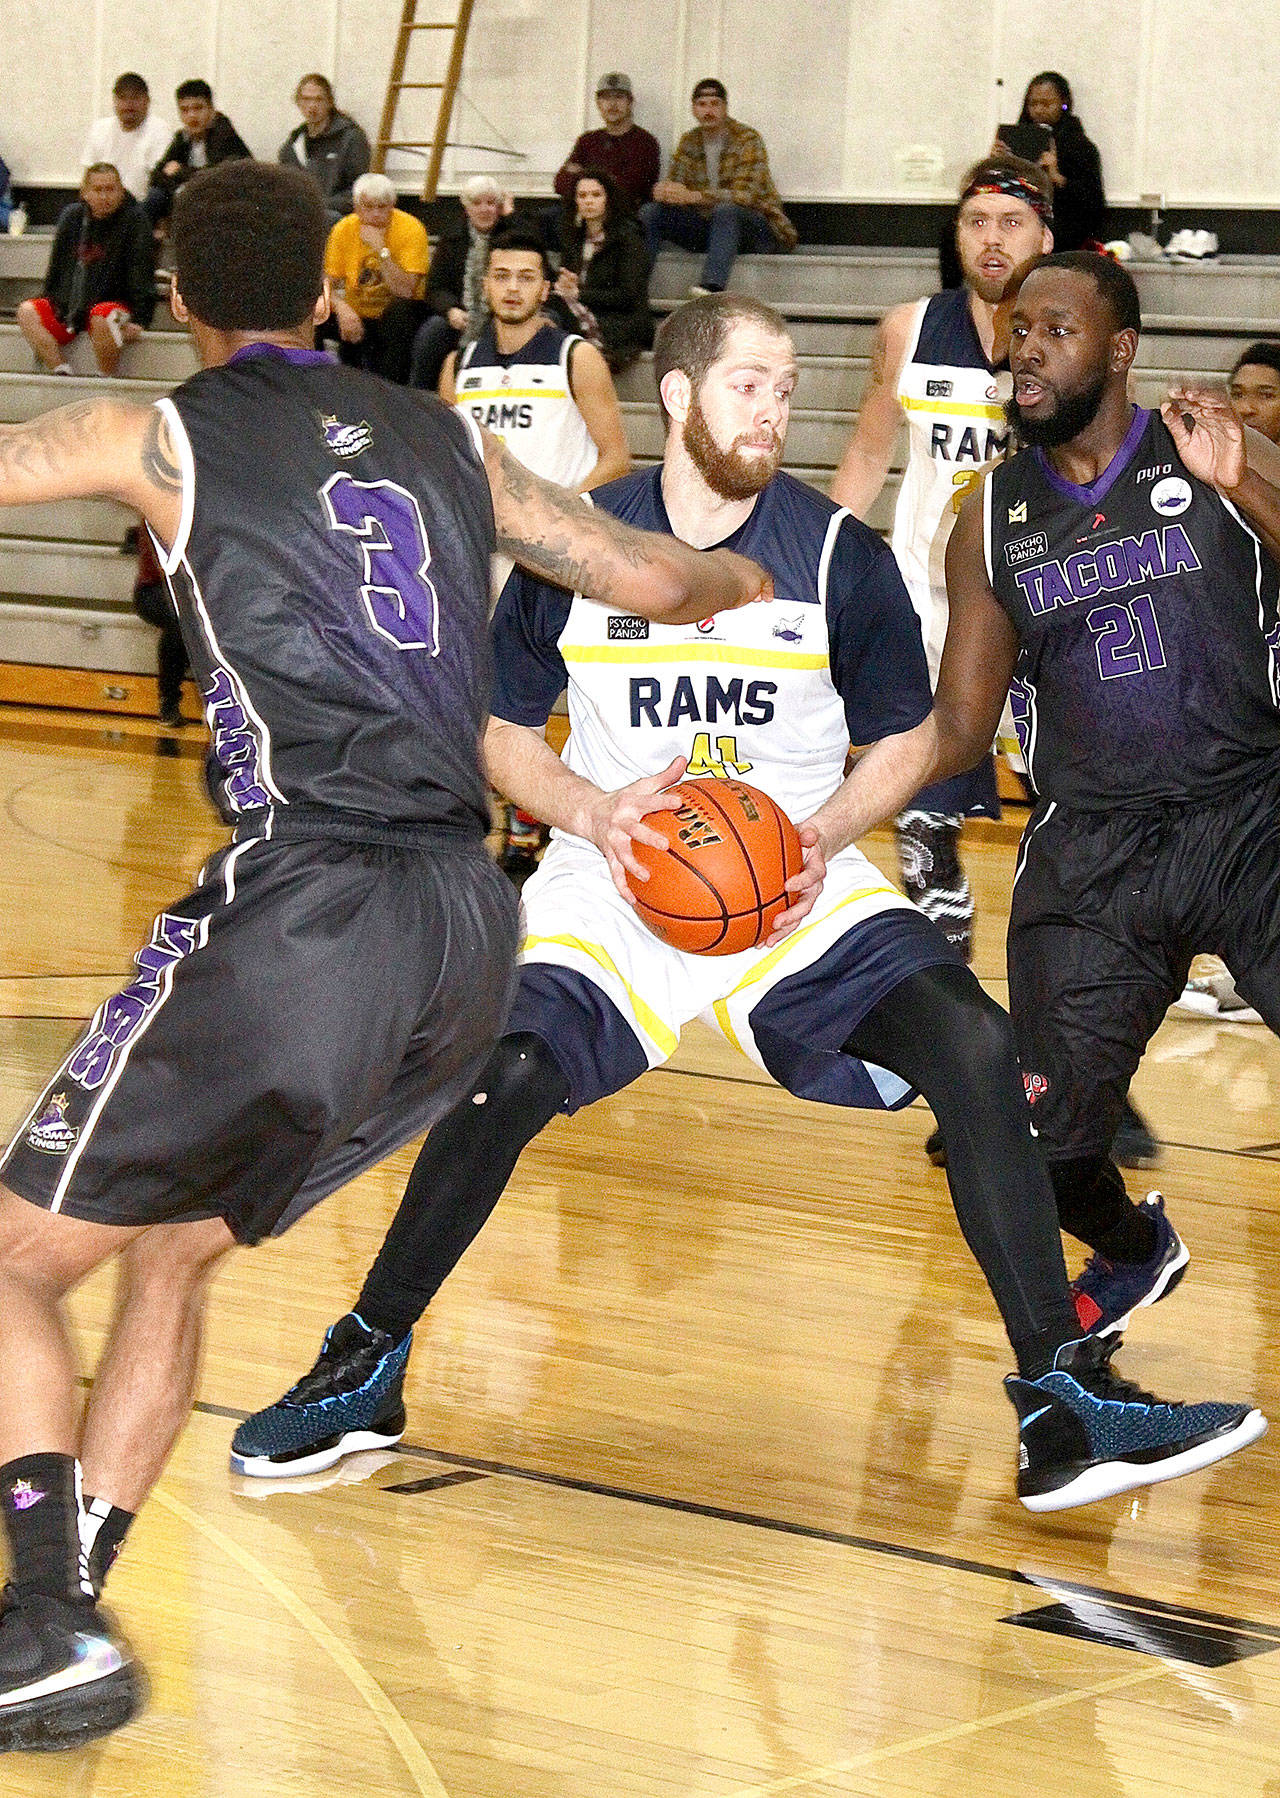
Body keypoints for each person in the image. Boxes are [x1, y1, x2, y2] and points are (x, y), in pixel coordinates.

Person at [232, 291, 1262, 1538]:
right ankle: (363, 1365)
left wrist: (816, 836)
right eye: (748, 384)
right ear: (676, 398)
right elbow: (497, 729)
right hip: (618, 876)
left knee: (976, 1050)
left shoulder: (837, 553)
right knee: (500, 1074)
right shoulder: (581, 542)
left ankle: (1058, 1400)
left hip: (796, 878)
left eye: (785, 388)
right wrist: (593, 811)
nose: (774, 408)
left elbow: (915, 735)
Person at [0, 161, 775, 1753]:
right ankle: (74, 1591)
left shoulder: (158, 430)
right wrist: (739, 577)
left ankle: (36, 1613)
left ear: (178, 298)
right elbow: (639, 576)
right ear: (334, 290)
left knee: (13, 1262)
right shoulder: (448, 437)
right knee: (172, 1248)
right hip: (461, 936)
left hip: (309, 901)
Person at [934, 249, 1280, 1340]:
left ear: (1118, 349)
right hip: (1093, 851)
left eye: (1052, 330)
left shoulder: (1213, 451)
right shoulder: (986, 518)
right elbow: (957, 724)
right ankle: (1136, 1251)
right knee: (1031, 1152)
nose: (1023, 348)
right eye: (1014, 329)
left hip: (1253, 815)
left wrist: (1243, 486)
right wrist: (824, 801)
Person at [443, 224, 632, 881]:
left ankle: (561, 819)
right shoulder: (458, 364)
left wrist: (552, 519)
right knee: (481, 698)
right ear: (486, 283)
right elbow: (448, 464)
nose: (513, 288)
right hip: (481, 553)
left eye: (527, 277)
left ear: (546, 287)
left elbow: (616, 458)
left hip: (556, 556)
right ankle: (515, 818)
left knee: (549, 697)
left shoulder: (574, 357)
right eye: (502, 276)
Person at [1171, 339, 1280, 1025]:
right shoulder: (1205, 477)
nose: (1247, 408)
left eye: (1265, 395)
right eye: (1238, 393)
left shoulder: (1247, 482)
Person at [640, 80, 797, 296]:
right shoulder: (690, 141)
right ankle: (634, 286)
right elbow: (678, 185)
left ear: (725, 107)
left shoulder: (747, 138)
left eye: (714, 104)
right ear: (694, 109)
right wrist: (666, 191)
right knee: (651, 212)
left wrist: (694, 196)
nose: (708, 111)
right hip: (711, 228)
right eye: (702, 105)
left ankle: (712, 286)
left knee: (727, 210)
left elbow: (745, 196)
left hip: (759, 229)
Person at [16, 165, 156, 376]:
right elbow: (57, 267)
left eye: (111, 189)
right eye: (98, 190)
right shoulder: (71, 217)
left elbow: (142, 271)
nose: (104, 196)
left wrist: (141, 319)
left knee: (101, 317)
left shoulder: (135, 220)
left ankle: (105, 379)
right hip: (70, 306)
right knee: (26, 311)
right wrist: (50, 301)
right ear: (85, 193)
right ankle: (61, 370)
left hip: (114, 305)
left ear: (121, 191)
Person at [408, 173, 513, 393]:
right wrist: (450, 310)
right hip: (461, 316)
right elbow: (435, 288)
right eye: (477, 203)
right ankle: (419, 396)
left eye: (491, 203)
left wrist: (511, 217)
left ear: (499, 207)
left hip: (502, 314)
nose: (484, 209)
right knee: (433, 330)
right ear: (467, 208)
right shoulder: (452, 238)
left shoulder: (512, 235)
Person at [324, 172, 429, 384]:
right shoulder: (343, 228)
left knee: (398, 312)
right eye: (368, 207)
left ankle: (391, 388)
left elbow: (406, 291)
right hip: (357, 312)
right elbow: (325, 283)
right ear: (356, 207)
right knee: (315, 311)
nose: (375, 214)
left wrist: (381, 249)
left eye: (382, 207)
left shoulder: (411, 228)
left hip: (399, 312)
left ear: (393, 205)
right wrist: (342, 309)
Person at [556, 169, 654, 373]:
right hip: (582, 310)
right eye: (582, 196)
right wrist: (569, 285)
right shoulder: (574, 237)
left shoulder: (628, 238)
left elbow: (628, 296)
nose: (588, 201)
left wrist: (579, 293)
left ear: (608, 199)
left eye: (596, 195)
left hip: (620, 321)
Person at [1006, 72, 1106, 253]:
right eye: (1032, 104)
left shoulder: (1080, 146)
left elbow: (1094, 204)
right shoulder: (1017, 139)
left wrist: (1057, 178)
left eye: (1046, 104)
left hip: (1063, 224)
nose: (1038, 110)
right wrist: (997, 162)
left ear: (1064, 104)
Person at [552, 72, 660, 218]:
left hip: (624, 216)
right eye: (606, 98)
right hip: (585, 211)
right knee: (547, 216)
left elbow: (630, 189)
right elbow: (560, 183)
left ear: (630, 102)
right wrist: (609, 179)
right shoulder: (588, 140)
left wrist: (582, 176)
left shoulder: (645, 142)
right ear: (598, 103)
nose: (612, 104)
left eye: (619, 97)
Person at [144, 81, 251, 226]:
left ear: (211, 110)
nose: (192, 116)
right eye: (184, 110)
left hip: (224, 206)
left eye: (198, 108)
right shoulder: (182, 137)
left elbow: (218, 177)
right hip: (190, 204)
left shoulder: (224, 134)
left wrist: (180, 173)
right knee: (155, 196)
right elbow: (156, 176)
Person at [278, 73, 370, 225]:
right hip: (302, 215)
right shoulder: (293, 145)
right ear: (298, 102)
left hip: (337, 216)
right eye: (306, 99)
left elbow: (360, 189)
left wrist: (319, 205)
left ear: (329, 102)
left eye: (318, 99)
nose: (312, 106)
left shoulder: (351, 138)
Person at [80, 73, 173, 204]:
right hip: (102, 205)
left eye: (135, 98)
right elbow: (87, 178)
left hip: (140, 207)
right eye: (122, 98)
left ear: (147, 101)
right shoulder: (99, 128)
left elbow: (159, 183)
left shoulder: (160, 130)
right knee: (71, 213)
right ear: (114, 101)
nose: (128, 105)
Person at [131, 524, 189, 726]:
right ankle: (168, 700)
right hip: (153, 589)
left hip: (185, 590)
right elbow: (165, 569)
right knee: (180, 623)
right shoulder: (160, 519)